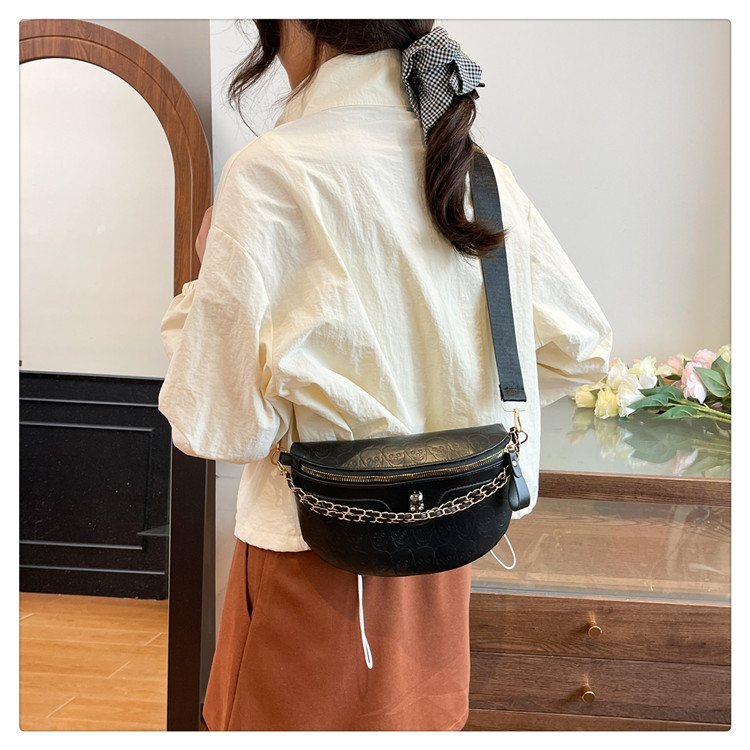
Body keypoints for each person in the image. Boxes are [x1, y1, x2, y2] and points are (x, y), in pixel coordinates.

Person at [158, 20, 612, 731]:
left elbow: (217, 424)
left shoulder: (273, 170)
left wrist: (204, 279)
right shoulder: (476, 172)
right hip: (448, 544)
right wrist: (443, 397)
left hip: (316, 554)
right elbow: (581, 350)